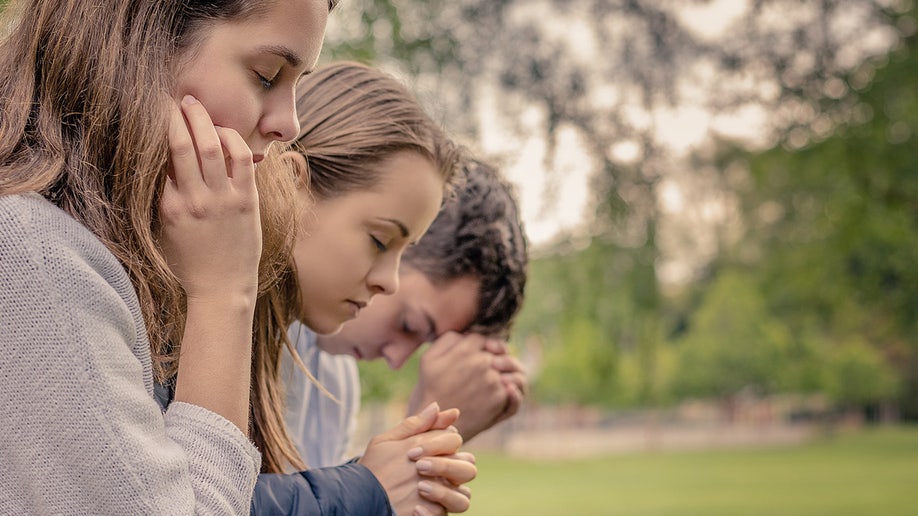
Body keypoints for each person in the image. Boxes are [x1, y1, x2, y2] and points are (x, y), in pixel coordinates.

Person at [0, 0, 331, 513]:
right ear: (141, 43)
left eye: (299, 83)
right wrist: (224, 294)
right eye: (267, 76)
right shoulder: (32, 257)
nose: (290, 124)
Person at [284, 157, 530, 463]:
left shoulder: (337, 386)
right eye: (409, 325)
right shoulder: (236, 327)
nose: (397, 360)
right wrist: (421, 441)